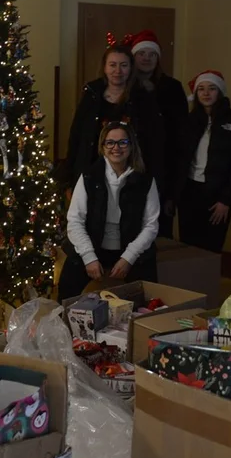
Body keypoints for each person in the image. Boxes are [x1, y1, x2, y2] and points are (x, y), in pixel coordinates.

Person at [59, 121, 161, 301]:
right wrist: (89, 257)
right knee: (67, 292)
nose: (116, 148)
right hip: (93, 245)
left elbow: (150, 225)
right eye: (110, 143)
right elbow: (75, 221)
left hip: (129, 249)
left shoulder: (145, 179)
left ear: (131, 146)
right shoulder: (89, 176)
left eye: (123, 142)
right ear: (103, 146)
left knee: (147, 300)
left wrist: (128, 258)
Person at [64, 43, 165, 195]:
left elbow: (154, 143)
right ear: (104, 68)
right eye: (112, 65)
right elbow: (76, 137)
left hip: (132, 177)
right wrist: (70, 179)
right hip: (92, 174)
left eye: (123, 65)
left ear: (131, 68)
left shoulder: (143, 98)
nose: (117, 71)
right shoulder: (91, 95)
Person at [175, 70, 231, 254]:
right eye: (201, 89)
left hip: (217, 196)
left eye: (212, 88)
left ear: (220, 91)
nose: (206, 93)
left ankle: (206, 282)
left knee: (211, 248)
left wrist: (226, 200)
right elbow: (179, 159)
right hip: (189, 192)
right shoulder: (189, 121)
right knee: (187, 247)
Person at [129, 30, 187, 239]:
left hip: (163, 172)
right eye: (141, 53)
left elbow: (180, 140)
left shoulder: (172, 88)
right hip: (130, 171)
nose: (146, 58)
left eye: (151, 54)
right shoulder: (124, 88)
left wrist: (173, 191)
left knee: (159, 235)